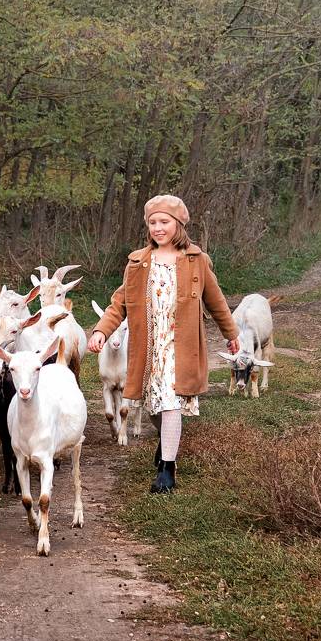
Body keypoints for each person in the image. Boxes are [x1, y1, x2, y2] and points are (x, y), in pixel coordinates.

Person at [88, 194, 240, 493]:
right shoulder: (137, 262)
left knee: (170, 402)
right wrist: (101, 331)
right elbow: (119, 304)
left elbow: (216, 301)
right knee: (154, 404)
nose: (158, 228)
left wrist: (231, 334)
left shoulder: (196, 260)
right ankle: (166, 441)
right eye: (153, 222)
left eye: (164, 222)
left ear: (178, 224)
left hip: (179, 346)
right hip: (148, 347)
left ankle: (167, 469)